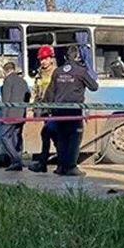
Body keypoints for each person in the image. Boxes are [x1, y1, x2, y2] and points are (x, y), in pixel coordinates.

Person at [43, 46, 98, 176]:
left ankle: (61, 167)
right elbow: (94, 87)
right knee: (74, 138)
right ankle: (71, 167)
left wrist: (49, 109)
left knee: (62, 139)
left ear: (65, 57)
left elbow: (50, 92)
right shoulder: (81, 71)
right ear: (78, 57)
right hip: (74, 111)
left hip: (58, 110)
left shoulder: (57, 71)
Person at [28, 44, 58, 173]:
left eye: (45, 58)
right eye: (41, 59)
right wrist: (30, 108)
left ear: (51, 58)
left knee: (51, 135)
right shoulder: (39, 73)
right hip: (44, 109)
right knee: (47, 135)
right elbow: (35, 91)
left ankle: (52, 163)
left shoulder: (56, 73)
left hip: (54, 109)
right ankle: (45, 163)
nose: (43, 61)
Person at [0, 61, 30, 171]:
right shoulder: (23, 81)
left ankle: (16, 160)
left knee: (4, 136)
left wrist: (3, 117)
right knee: (15, 136)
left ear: (5, 71)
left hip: (10, 115)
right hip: (21, 114)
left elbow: (6, 100)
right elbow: (28, 96)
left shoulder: (7, 81)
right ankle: (15, 162)